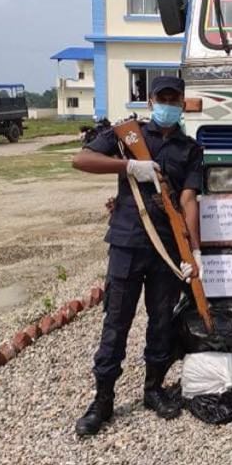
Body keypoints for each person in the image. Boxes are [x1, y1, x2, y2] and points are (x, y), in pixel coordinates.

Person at [72, 76, 204, 436]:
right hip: (128, 243)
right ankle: (102, 399)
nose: (168, 105)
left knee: (161, 320)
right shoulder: (127, 136)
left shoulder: (190, 149)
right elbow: (81, 159)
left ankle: (154, 389)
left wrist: (193, 249)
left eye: (174, 99)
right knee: (116, 322)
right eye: (163, 98)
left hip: (166, 248)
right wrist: (128, 166)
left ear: (182, 103)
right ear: (150, 101)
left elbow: (189, 200)